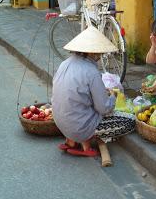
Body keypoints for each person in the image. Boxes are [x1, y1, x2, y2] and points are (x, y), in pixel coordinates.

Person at [52, 26, 135, 157]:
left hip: (60, 123)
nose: (100, 56)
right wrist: (113, 96)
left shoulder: (65, 64)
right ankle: (84, 138)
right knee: (130, 121)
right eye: (99, 53)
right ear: (93, 53)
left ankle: (72, 140)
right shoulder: (92, 72)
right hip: (80, 127)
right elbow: (104, 108)